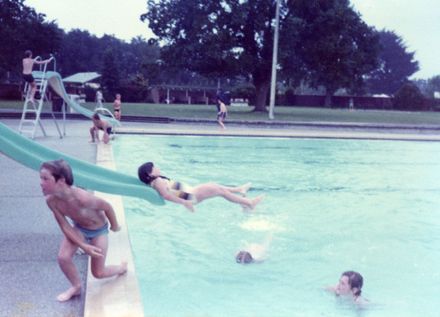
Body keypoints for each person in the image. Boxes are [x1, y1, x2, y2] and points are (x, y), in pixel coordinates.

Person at [39, 159, 127, 302]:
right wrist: (83, 245)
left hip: (99, 230)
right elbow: (64, 226)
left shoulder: (83, 198)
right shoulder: (51, 201)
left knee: (98, 273)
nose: (41, 182)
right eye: (41, 178)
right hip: (80, 228)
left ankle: (121, 268)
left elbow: (108, 207)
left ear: (61, 181)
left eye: (45, 179)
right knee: (63, 257)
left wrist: (115, 225)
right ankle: (76, 286)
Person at [138, 162, 264, 212]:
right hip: (190, 195)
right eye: (155, 167)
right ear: (150, 173)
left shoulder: (155, 182)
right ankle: (249, 203)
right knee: (220, 191)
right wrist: (184, 202)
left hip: (190, 192)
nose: (158, 168)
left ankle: (239, 191)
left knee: (214, 186)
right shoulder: (158, 181)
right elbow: (166, 196)